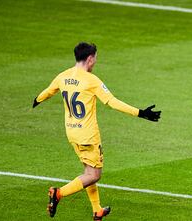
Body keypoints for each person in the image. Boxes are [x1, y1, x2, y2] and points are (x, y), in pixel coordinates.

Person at [32, 42, 161, 220]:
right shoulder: (92, 80)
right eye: (96, 59)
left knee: (87, 171)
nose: (96, 62)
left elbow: (47, 92)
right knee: (94, 175)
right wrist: (141, 113)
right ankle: (58, 193)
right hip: (88, 136)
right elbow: (112, 102)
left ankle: (97, 210)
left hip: (71, 133)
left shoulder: (63, 76)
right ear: (90, 58)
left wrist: (37, 100)